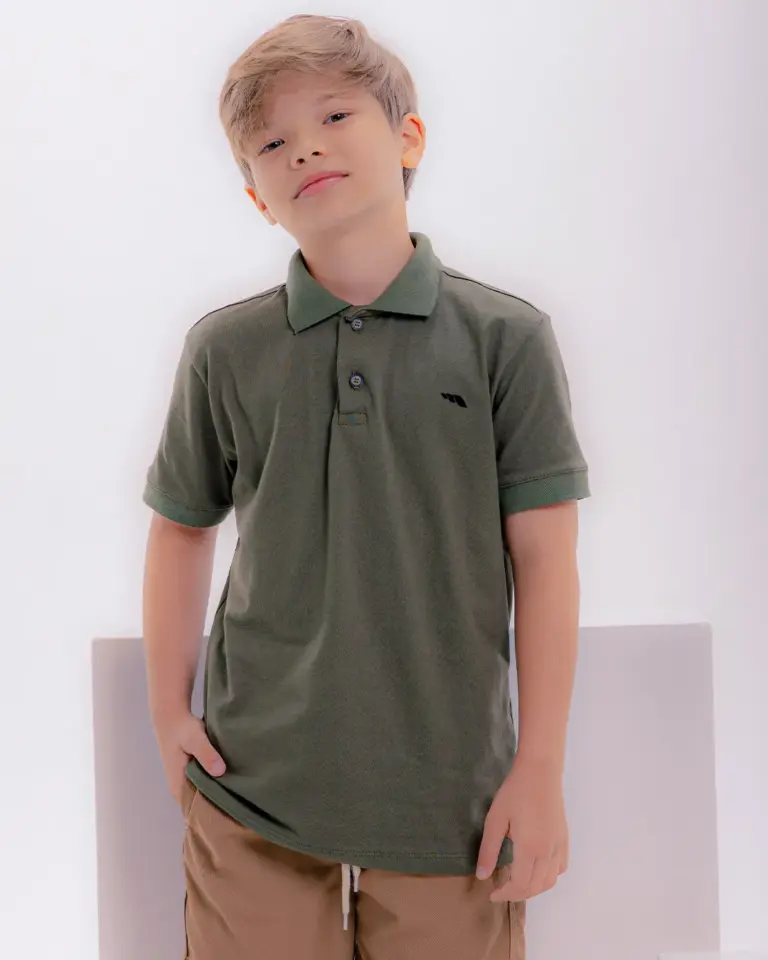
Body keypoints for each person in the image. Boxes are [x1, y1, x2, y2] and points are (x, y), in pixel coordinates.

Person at [141, 13, 590, 960]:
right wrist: (169, 716)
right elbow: (180, 528)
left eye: (336, 116)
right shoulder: (225, 349)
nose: (304, 147)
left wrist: (542, 768)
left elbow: (547, 561)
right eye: (271, 143)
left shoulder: (506, 339)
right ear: (257, 196)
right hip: (252, 784)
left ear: (409, 137)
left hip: (452, 794)